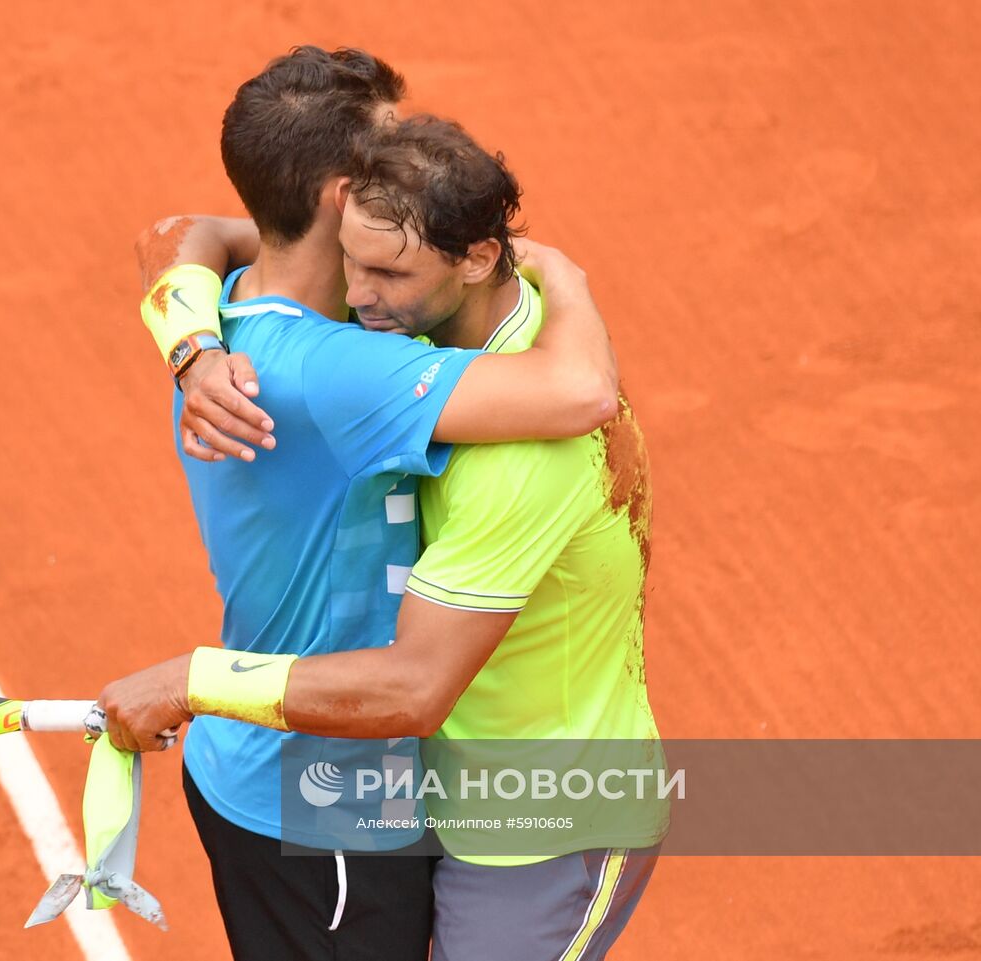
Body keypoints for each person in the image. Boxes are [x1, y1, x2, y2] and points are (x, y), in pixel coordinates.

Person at [105, 116, 664, 960]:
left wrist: (193, 680)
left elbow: (414, 687)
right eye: (349, 260)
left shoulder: (521, 458)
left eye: (385, 273)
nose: (355, 296)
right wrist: (190, 345)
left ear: (476, 257)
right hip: (425, 783)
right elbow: (187, 234)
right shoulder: (444, 301)